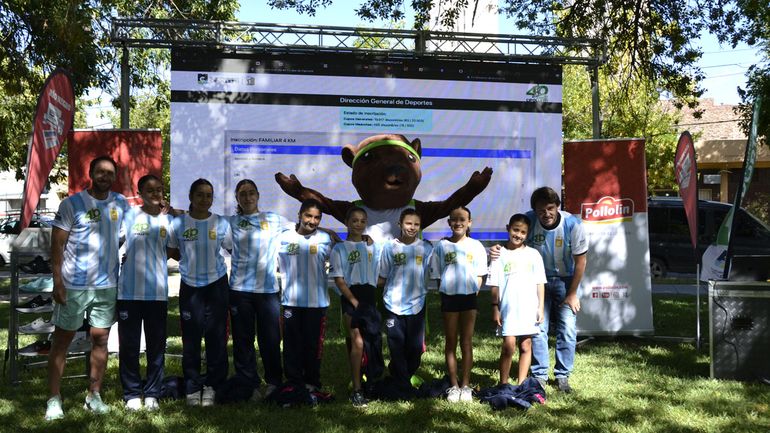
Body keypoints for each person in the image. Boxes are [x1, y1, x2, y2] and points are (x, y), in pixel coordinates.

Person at [45, 156, 129, 421]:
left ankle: (94, 396)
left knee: (100, 341)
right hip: (73, 286)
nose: (105, 176)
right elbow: (56, 245)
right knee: (62, 342)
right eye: (100, 172)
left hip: (106, 286)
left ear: (114, 177)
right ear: (91, 173)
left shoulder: (121, 203)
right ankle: (53, 399)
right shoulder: (72, 204)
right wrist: (57, 282)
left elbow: (127, 235)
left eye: (110, 173)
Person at [168, 178, 232, 406]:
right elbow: (174, 251)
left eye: (208, 195)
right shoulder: (178, 224)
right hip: (190, 287)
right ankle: (193, 387)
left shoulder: (221, 223)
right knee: (192, 339)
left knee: (216, 338)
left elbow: (232, 248)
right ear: (191, 198)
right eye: (200, 195)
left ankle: (213, 386)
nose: (204, 199)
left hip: (216, 285)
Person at [228, 179, 294, 398]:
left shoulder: (273, 219)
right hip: (239, 290)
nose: (248, 198)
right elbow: (203, 219)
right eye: (243, 194)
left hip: (267, 291)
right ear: (237, 198)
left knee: (271, 339)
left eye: (251, 193)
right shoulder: (231, 222)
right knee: (243, 339)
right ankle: (249, 383)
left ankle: (274, 381)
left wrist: (330, 232)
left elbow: (300, 227)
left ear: (258, 195)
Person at [116, 174, 176, 411]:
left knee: (156, 347)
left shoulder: (167, 220)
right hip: (129, 293)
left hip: (157, 293)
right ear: (139, 192)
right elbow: (115, 243)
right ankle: (131, 393)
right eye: (149, 190)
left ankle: (152, 392)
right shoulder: (128, 216)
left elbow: (171, 250)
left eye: (159, 190)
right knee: (129, 346)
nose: (155, 194)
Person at [526, 186, 587, 393]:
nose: (546, 214)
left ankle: (562, 376)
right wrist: (499, 249)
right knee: (538, 328)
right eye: (541, 210)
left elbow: (581, 262)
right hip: (537, 283)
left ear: (558, 207)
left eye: (550, 208)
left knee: (568, 330)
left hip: (565, 281)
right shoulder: (528, 221)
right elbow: (513, 244)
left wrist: (572, 293)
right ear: (534, 210)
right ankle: (540, 375)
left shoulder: (573, 224)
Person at [429, 206, 488, 402]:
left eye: (462, 219)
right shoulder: (442, 247)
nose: (458, 222)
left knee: (467, 342)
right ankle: (453, 386)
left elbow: (480, 274)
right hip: (449, 298)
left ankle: (466, 385)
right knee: (451, 341)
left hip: (469, 298)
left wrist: (473, 291)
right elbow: (437, 275)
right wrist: (447, 289)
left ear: (469, 222)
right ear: (449, 222)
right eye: (454, 219)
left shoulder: (476, 246)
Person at [277, 199, 335, 392]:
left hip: (317, 302)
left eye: (317, 217)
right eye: (308, 216)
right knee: (292, 344)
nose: (312, 221)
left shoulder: (325, 239)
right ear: (300, 215)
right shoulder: (283, 237)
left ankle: (311, 382)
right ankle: (293, 382)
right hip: (291, 301)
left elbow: (344, 251)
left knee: (312, 346)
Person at [330, 207, 382, 407]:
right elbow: (340, 280)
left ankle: (371, 382)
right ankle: (357, 388)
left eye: (362, 221)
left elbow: (377, 271)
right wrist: (354, 302)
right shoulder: (340, 249)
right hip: (352, 298)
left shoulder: (371, 246)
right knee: (357, 342)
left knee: (372, 341)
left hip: (369, 297)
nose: (358, 224)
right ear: (346, 222)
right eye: (354, 220)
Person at [488, 214, 546, 386]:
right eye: (515, 230)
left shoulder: (534, 254)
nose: (518, 235)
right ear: (508, 228)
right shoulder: (499, 254)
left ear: (527, 234)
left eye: (523, 232)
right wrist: (495, 307)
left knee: (526, 345)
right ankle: (503, 383)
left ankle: (522, 384)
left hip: (528, 308)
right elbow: (494, 284)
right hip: (508, 308)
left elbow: (540, 282)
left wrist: (541, 307)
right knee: (509, 345)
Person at [378, 209, 433, 389]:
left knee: (415, 348)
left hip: (417, 304)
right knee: (396, 344)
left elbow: (434, 270)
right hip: (392, 304)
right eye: (408, 223)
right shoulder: (389, 247)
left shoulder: (426, 248)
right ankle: (402, 384)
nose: (412, 227)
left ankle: (401, 374)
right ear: (400, 224)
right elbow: (383, 275)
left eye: (416, 224)